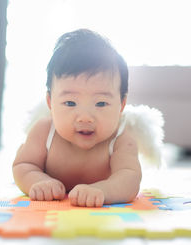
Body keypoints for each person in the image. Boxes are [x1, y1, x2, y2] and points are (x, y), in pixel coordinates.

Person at [12, 29, 164, 207]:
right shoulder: (45, 131)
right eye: (70, 103)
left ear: (122, 105)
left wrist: (103, 191)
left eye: (100, 103)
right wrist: (38, 181)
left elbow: (130, 179)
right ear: (50, 102)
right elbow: (23, 165)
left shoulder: (121, 138)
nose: (85, 118)